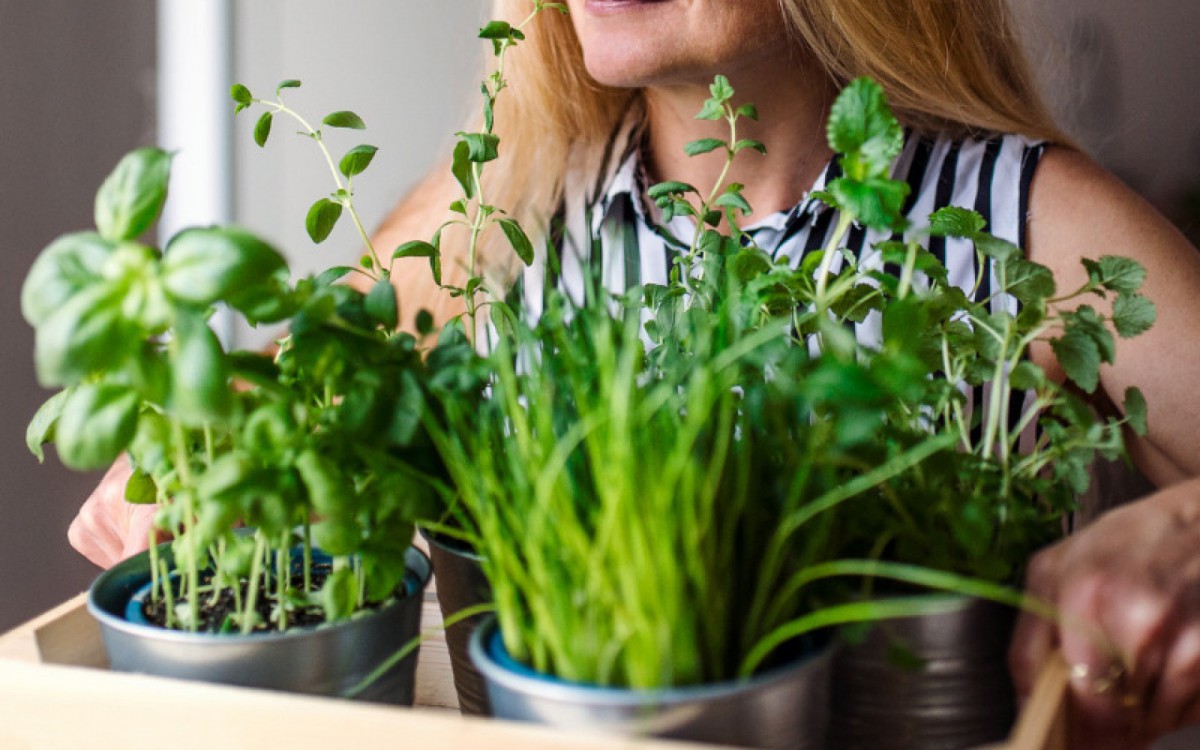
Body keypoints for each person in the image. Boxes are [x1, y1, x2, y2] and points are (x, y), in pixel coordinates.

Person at [67, 0, 1200, 746]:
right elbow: (291, 406)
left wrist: (1179, 536)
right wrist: (205, 451)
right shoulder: (496, 211)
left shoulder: (1032, 224)